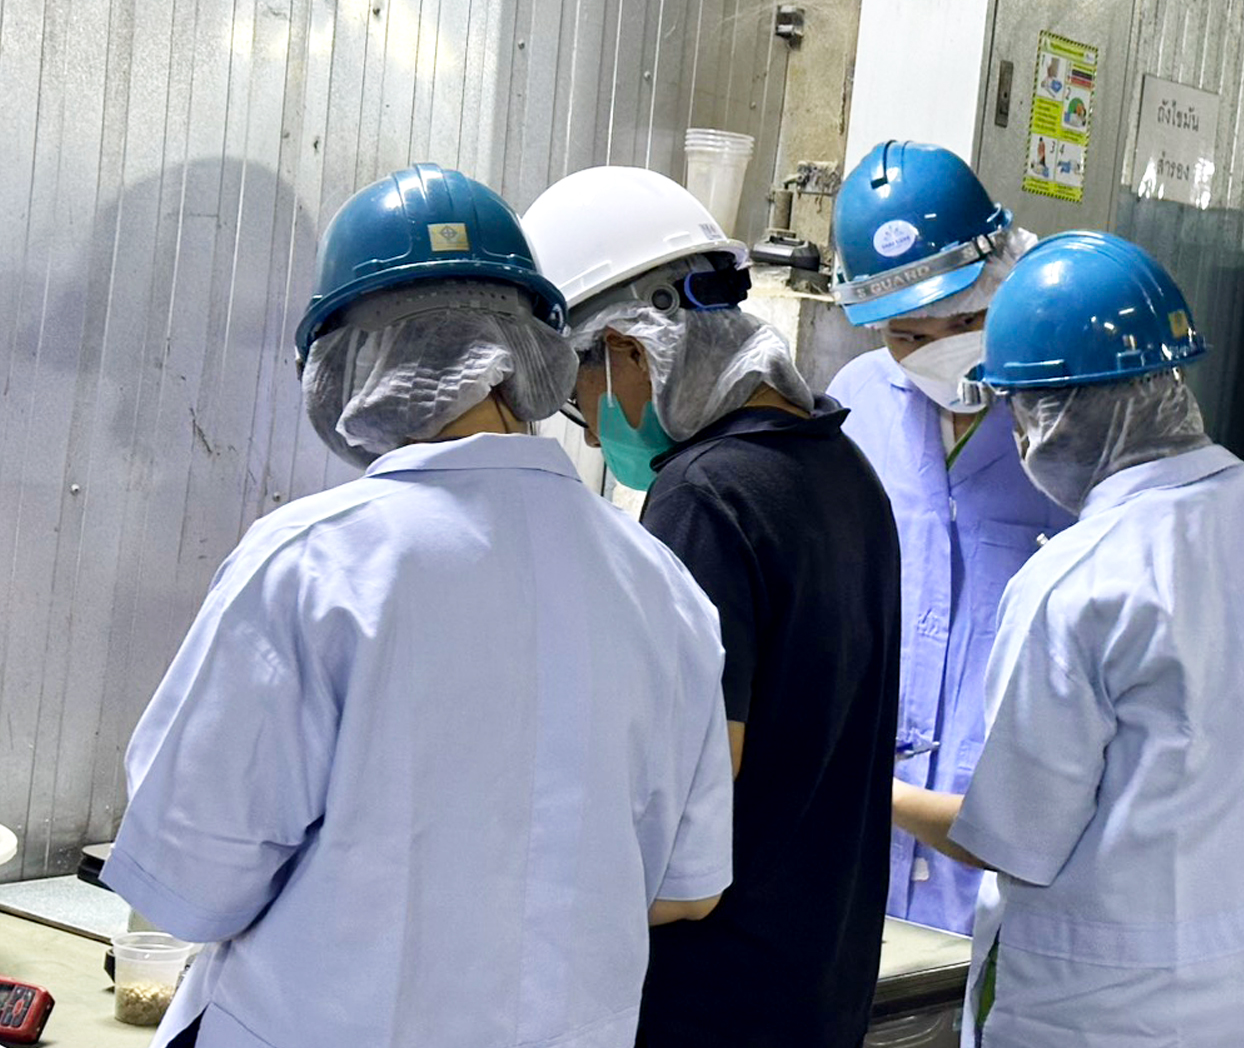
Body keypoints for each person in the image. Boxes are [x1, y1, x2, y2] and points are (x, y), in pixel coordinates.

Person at [100, 164, 736, 1048]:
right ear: (536, 352)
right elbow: (687, 889)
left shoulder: (311, 564)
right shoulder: (663, 587)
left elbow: (189, 883)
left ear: (342, 363)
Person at [891, 231, 1244, 1047]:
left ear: (1054, 413)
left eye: (1017, 409)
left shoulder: (1079, 581)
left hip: (1113, 1013)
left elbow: (1014, 839)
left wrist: (880, 792)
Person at [522, 165, 902, 1048]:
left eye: (579, 392)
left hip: (709, 994)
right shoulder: (845, 470)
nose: (590, 428)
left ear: (630, 350)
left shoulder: (704, 496)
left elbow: (684, 782)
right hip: (820, 979)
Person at [827, 140, 1073, 936]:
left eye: (964, 322)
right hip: (865, 831)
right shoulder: (855, 404)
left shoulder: (1069, 422)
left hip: (1005, 838)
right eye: (907, 335)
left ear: (1003, 278)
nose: (937, 353)